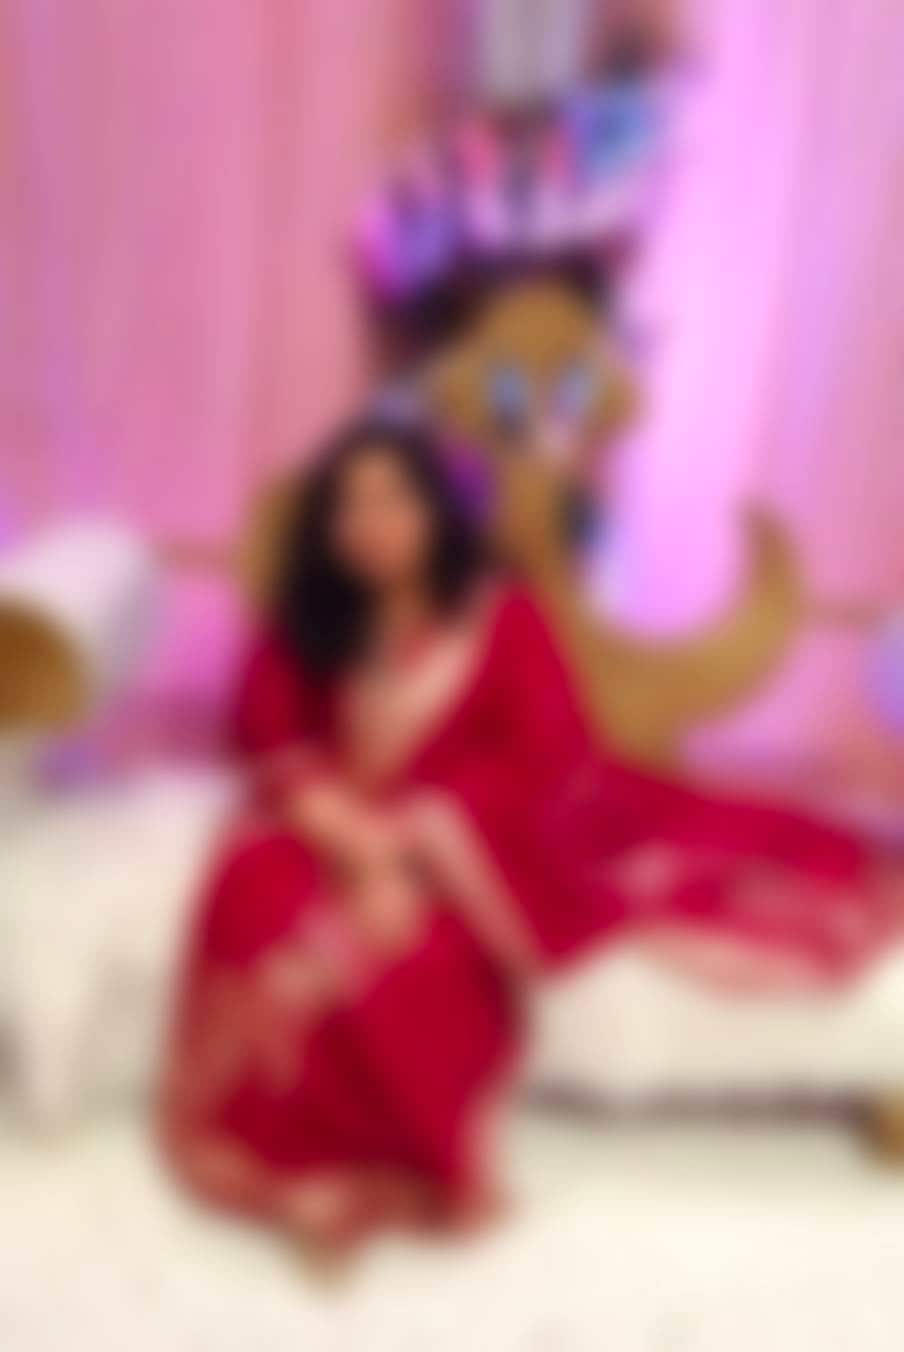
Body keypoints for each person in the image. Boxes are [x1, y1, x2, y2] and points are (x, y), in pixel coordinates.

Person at [159, 420, 901, 1261]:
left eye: (393, 499)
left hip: (470, 850)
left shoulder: (502, 617)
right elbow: (274, 739)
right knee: (255, 896)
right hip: (338, 823)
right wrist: (353, 839)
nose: (371, 523)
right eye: (349, 506)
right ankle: (288, 1170)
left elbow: (548, 755)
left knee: (421, 957)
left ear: (434, 511)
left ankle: (397, 1177)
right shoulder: (311, 619)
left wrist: (422, 835)